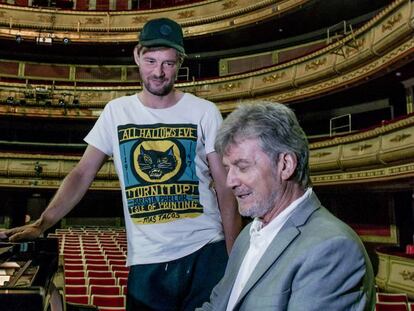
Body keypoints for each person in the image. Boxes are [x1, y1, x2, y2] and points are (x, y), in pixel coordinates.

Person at [0, 17, 241, 310]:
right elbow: (81, 174)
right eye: (151, 61)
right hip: (147, 259)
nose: (159, 72)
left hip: (206, 251)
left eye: (168, 63)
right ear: (137, 56)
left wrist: (235, 257)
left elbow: (226, 188)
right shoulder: (117, 112)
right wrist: (42, 223)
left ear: (179, 62)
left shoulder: (204, 111)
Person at [198, 102, 375, 311]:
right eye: (228, 168)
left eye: (242, 167)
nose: (230, 181)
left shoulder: (333, 249)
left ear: (285, 165)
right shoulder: (247, 234)